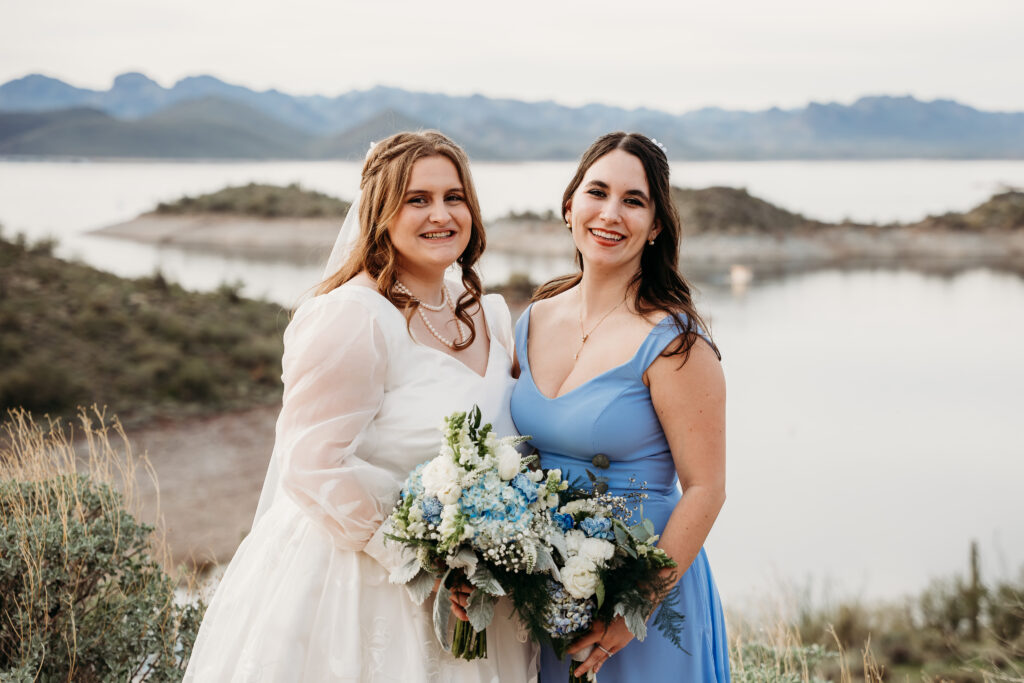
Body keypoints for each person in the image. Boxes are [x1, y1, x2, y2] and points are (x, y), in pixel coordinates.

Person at [184, 131, 537, 682]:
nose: (440, 214)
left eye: (454, 196)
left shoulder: (488, 314)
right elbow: (311, 464)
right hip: (361, 587)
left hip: (478, 593)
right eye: (417, 199)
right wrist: (429, 566)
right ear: (381, 211)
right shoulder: (353, 316)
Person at [508, 132, 731, 680]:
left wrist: (634, 614)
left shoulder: (675, 344)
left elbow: (706, 489)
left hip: (648, 601)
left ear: (655, 226)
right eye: (597, 192)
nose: (611, 213)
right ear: (569, 207)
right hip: (552, 596)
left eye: (634, 201)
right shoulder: (533, 319)